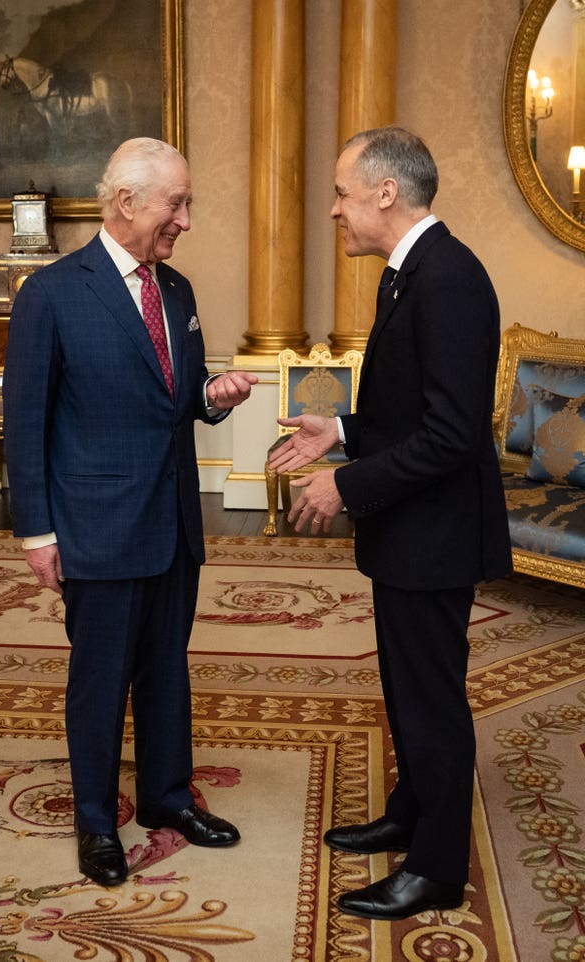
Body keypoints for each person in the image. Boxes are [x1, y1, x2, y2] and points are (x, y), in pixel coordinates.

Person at [268, 126, 512, 921]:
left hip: (435, 535)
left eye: (342, 193)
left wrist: (348, 485)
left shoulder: (449, 280)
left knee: (431, 696)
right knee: (406, 690)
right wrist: (337, 432)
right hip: (411, 530)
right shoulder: (409, 276)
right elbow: (405, 410)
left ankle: (437, 866)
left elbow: (450, 435)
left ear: (384, 192)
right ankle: (414, 810)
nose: (334, 210)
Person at [2, 137, 258, 888]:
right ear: (126, 203)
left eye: (187, 203)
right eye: (175, 203)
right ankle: (93, 819)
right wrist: (37, 532)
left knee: (166, 671)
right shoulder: (51, 294)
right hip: (97, 527)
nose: (185, 219)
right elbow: (26, 423)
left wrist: (211, 396)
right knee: (101, 679)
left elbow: (174, 395)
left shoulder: (174, 291)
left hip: (173, 521)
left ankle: (167, 799)